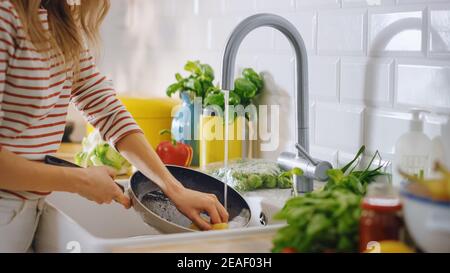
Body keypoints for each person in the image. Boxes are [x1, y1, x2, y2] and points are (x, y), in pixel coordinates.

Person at [0, 0, 228, 252]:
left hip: (27, 212)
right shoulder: (5, 16)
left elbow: (105, 108)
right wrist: (81, 180)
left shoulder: (58, 16)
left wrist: (174, 188)